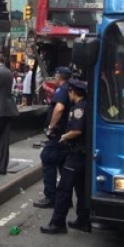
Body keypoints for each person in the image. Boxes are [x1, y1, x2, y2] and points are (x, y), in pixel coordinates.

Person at [41, 79, 91, 234]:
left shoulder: (79, 108)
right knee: (81, 189)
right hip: (83, 155)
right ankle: (83, 220)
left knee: (63, 189)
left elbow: (77, 130)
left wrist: (64, 136)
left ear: (73, 92)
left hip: (76, 153)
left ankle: (58, 223)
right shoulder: (86, 105)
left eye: (69, 92)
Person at [35, 67, 72, 209]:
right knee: (63, 166)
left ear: (59, 76)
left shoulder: (62, 90)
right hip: (66, 135)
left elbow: (59, 108)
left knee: (48, 159)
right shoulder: (70, 88)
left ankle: (50, 197)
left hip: (58, 134)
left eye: (55, 75)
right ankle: (65, 198)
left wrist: (51, 127)